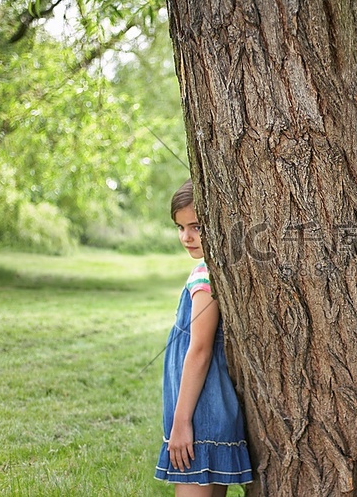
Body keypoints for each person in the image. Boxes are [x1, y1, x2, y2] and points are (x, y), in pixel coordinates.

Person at [155, 180, 252, 496]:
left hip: (199, 416)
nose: (187, 236)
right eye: (180, 227)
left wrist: (180, 424)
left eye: (196, 226)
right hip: (208, 411)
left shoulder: (204, 276)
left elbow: (199, 350)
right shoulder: (214, 269)